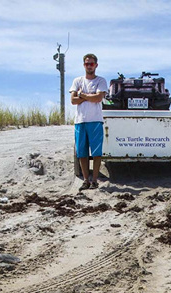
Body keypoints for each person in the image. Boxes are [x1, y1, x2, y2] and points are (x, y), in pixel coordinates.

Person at [69, 53, 108, 190]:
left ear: (96, 65)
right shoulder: (77, 81)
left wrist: (82, 95)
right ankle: (86, 180)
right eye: (87, 64)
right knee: (82, 152)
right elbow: (73, 101)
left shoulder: (101, 81)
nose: (89, 66)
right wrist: (87, 97)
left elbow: (98, 98)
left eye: (91, 64)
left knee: (96, 152)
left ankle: (95, 180)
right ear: (83, 65)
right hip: (80, 121)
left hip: (95, 120)